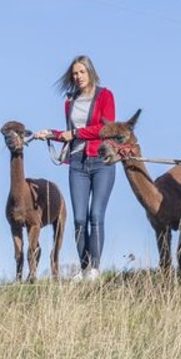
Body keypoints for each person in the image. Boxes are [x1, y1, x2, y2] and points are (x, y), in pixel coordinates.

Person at [33, 55, 116, 281]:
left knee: (95, 214)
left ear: (90, 72)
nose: (78, 77)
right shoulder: (70, 101)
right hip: (77, 163)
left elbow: (106, 128)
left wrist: (76, 133)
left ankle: (94, 269)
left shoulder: (105, 95)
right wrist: (52, 134)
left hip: (101, 161)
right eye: (75, 74)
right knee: (79, 218)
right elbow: (70, 134)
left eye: (82, 72)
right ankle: (84, 266)